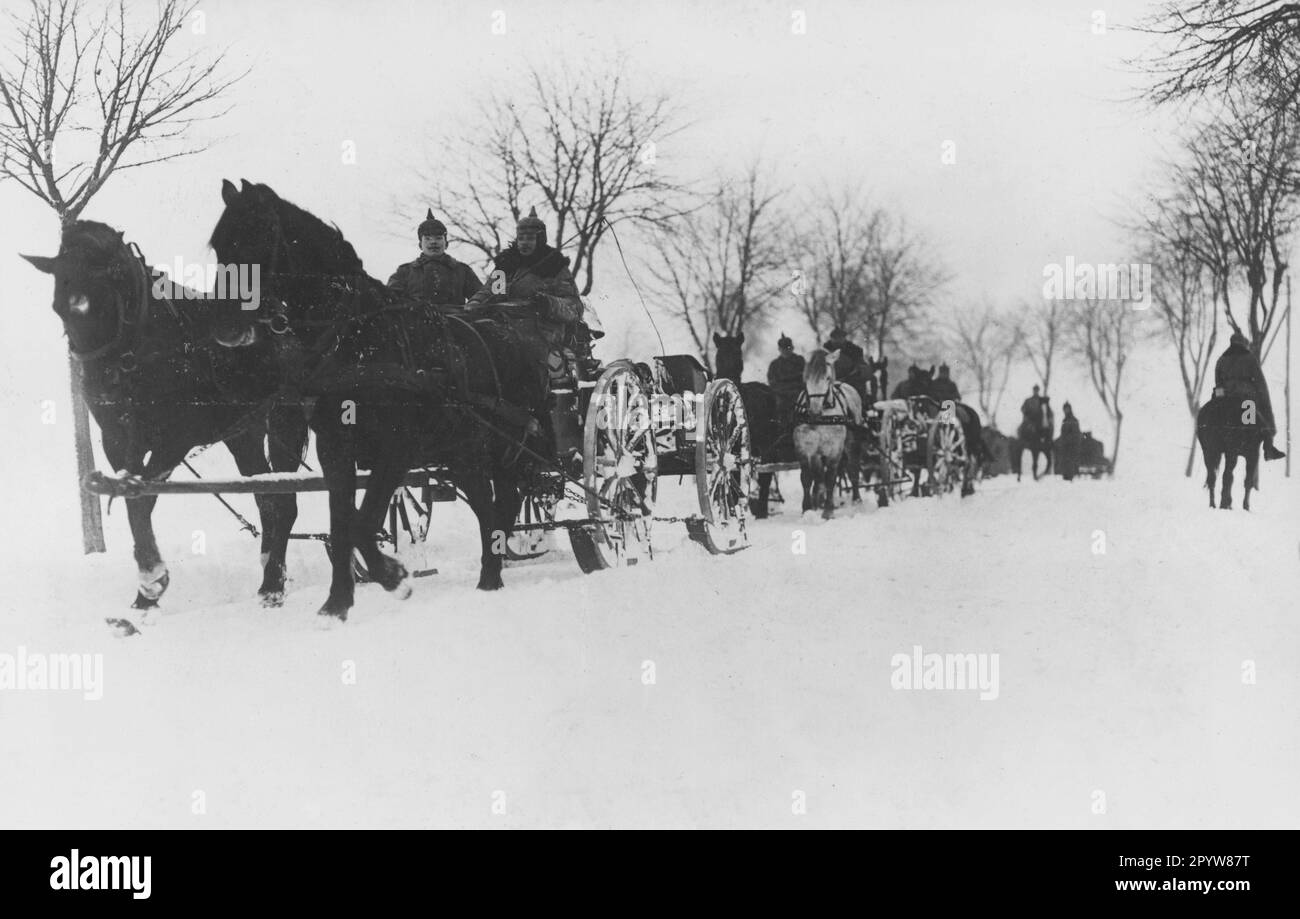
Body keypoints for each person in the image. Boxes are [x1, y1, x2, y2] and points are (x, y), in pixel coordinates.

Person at [467, 208, 594, 455]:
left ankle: (537, 416)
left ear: (541, 239)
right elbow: (491, 291)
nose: (525, 243)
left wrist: (547, 302)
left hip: (542, 330)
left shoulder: (554, 267)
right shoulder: (507, 265)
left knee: (527, 357)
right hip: (505, 327)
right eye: (521, 238)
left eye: (530, 238)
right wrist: (471, 306)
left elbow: (573, 307)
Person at [386, 209, 481, 305]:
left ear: (446, 244)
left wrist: (475, 302)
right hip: (416, 318)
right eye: (427, 238)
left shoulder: (462, 270)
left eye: (438, 238)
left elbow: (481, 296)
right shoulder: (405, 272)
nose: (433, 242)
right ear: (420, 244)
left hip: (455, 318)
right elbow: (391, 299)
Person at [1215, 331, 1285, 460]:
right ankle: (1268, 450)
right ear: (1243, 344)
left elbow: (1218, 384)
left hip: (1226, 401)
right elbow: (1261, 384)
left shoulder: (1221, 360)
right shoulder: (1250, 358)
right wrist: (1265, 404)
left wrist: (1220, 399)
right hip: (1246, 401)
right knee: (1263, 424)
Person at [823, 327, 868, 402]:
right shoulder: (825, 350)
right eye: (835, 338)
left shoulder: (855, 350)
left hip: (850, 380)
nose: (837, 340)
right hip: (829, 380)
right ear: (831, 338)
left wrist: (849, 376)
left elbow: (859, 366)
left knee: (858, 388)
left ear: (844, 338)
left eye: (840, 337)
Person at [1056, 401, 1081, 480]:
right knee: (1064, 461)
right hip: (1065, 445)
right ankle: (1065, 476)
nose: (1065, 411)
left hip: (1071, 445)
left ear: (1070, 409)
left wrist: (1067, 440)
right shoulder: (1064, 420)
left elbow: (1075, 433)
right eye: (1064, 409)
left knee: (1070, 461)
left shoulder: (1074, 420)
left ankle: (1070, 476)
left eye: (1067, 409)